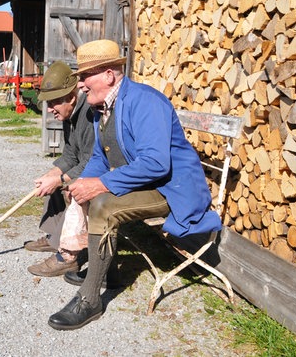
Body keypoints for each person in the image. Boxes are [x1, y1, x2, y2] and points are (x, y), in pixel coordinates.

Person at [47, 40, 222, 330]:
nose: (80, 85)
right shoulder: (100, 110)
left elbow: (157, 164)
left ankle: (89, 301)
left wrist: (99, 185)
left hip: (175, 190)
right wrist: (81, 183)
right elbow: (101, 161)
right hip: (151, 184)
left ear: (109, 75)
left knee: (102, 203)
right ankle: (109, 272)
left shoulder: (144, 101)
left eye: (84, 76)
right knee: (88, 190)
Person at [24, 61, 95, 277]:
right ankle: (54, 238)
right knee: (52, 178)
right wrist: (53, 174)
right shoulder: (68, 116)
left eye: (53, 103)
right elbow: (70, 155)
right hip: (85, 167)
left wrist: (62, 179)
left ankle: (67, 257)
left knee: (70, 188)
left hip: (98, 174)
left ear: (71, 98)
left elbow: (92, 162)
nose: (49, 109)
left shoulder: (90, 116)